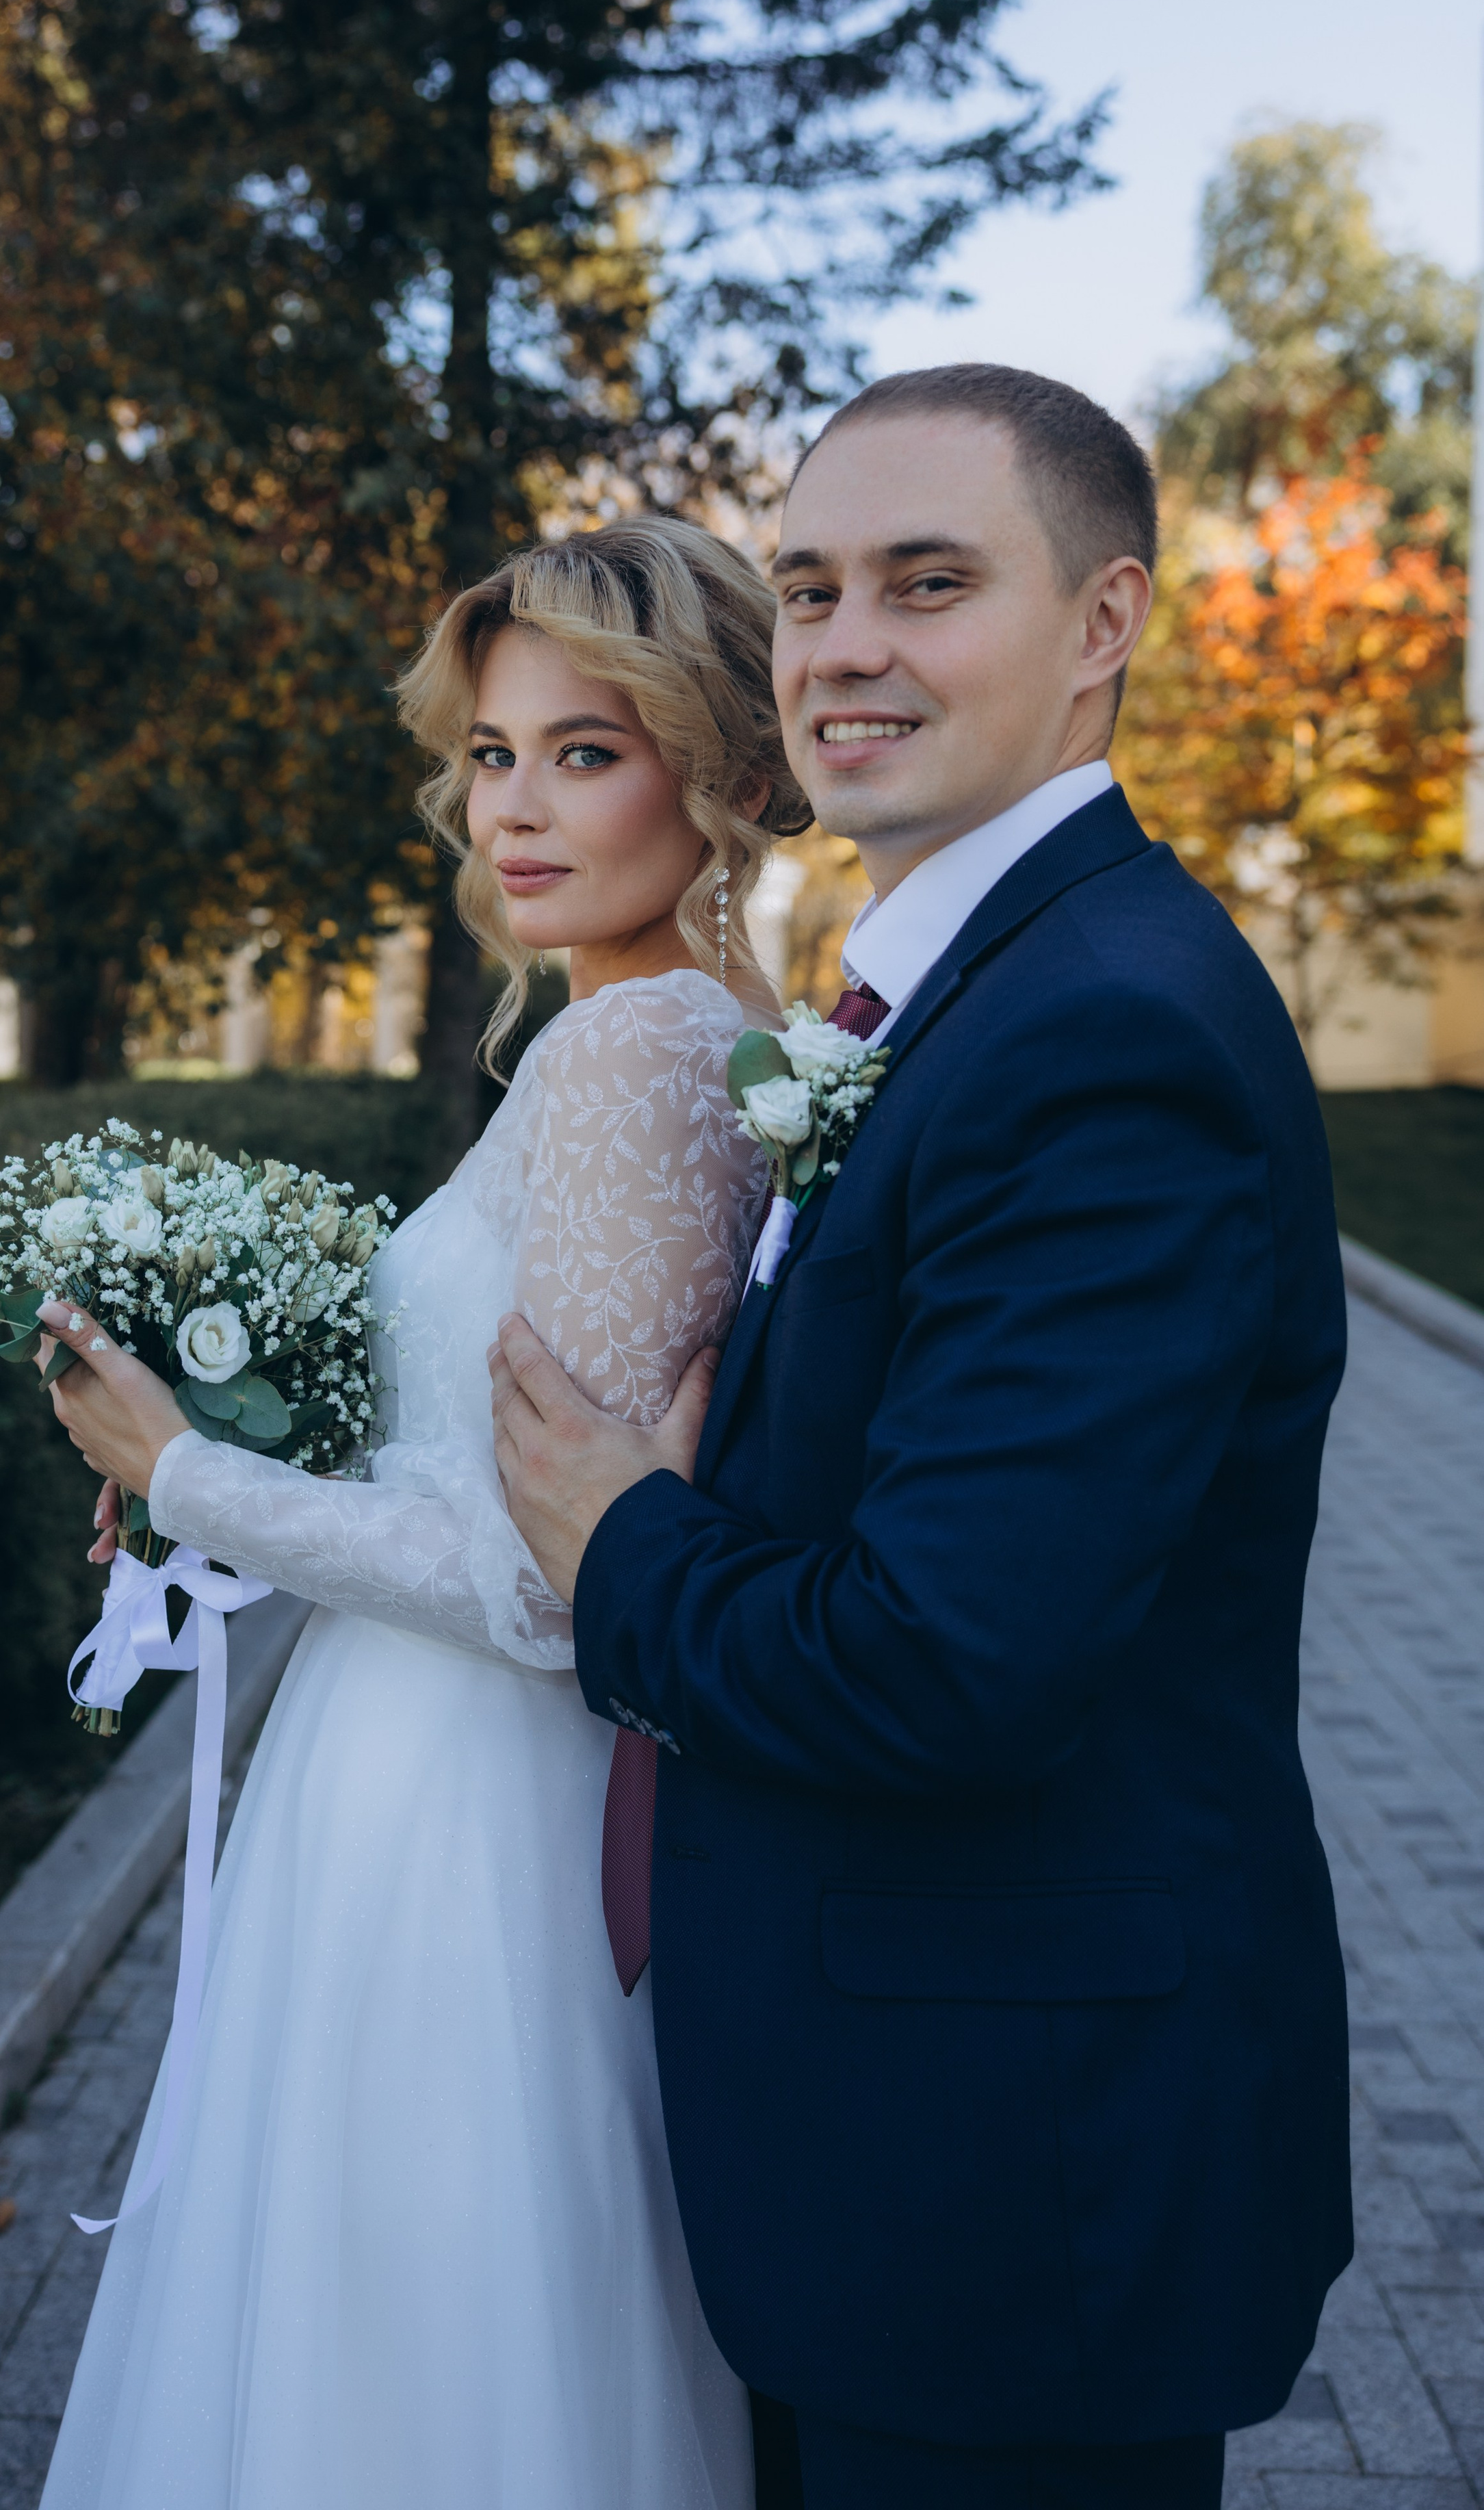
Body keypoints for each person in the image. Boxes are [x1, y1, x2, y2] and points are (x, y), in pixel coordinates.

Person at [491, 363, 1353, 2510]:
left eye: (929, 582)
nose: (844, 646)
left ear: (1104, 622)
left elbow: (945, 1661)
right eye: (808, 590)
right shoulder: (963, 989)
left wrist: (620, 1537)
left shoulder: (1108, 1034)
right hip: (905, 2152)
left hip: (1006, 2187)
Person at [32, 515, 811, 2510]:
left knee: (408, 2353)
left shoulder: (641, 1048)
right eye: (491, 754)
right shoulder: (663, 1026)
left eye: (585, 752)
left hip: (477, 1817)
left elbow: (547, 1584)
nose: (514, 809)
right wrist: (236, 1474)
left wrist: (184, 1469)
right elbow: (498, 1473)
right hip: (435, 1778)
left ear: (717, 770)